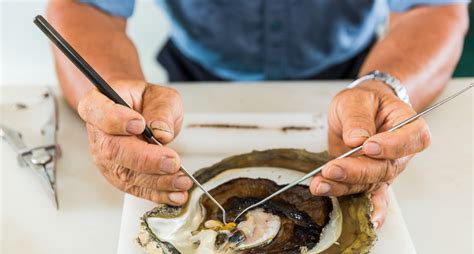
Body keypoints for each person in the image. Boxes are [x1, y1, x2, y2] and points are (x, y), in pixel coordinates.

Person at [47, 0, 469, 229]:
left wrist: (386, 88)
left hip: (358, 75)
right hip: (189, 80)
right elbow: (85, 6)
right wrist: (114, 92)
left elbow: (432, 8)